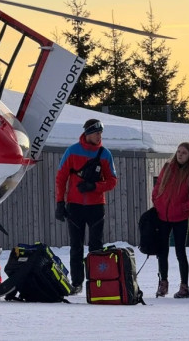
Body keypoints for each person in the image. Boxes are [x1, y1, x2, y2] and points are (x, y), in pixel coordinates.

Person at [55, 118, 118, 295]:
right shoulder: (72, 151)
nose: (99, 137)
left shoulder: (105, 154)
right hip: (75, 205)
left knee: (96, 247)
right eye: (96, 133)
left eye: (100, 134)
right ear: (88, 133)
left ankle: (97, 282)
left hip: (96, 206)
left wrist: (95, 187)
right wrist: (60, 202)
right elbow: (61, 178)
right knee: (76, 246)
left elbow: (112, 181)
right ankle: (77, 283)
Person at [152, 142, 189, 299]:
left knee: (180, 252)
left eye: (184, 152)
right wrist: (156, 201)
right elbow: (157, 186)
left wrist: (185, 207)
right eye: (178, 151)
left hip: (180, 217)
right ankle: (163, 283)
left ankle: (184, 286)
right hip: (163, 216)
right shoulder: (168, 167)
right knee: (162, 251)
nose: (180, 154)